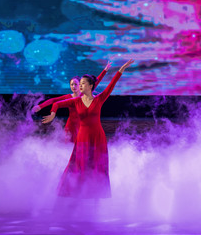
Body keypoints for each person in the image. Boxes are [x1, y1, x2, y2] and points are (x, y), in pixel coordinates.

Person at [42, 59, 134, 198]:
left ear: (91, 86)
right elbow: (57, 104)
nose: (80, 85)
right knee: (79, 165)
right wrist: (52, 114)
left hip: (97, 137)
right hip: (82, 137)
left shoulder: (99, 99)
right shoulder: (76, 101)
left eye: (83, 83)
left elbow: (112, 84)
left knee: (97, 165)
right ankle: (77, 192)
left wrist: (121, 69)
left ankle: (96, 193)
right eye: (80, 83)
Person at [32, 62, 111, 143]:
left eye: (76, 84)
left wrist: (105, 70)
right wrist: (40, 106)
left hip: (82, 126)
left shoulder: (84, 94)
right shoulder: (68, 97)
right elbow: (53, 101)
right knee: (68, 146)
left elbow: (96, 82)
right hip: (71, 126)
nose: (73, 86)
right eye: (71, 84)